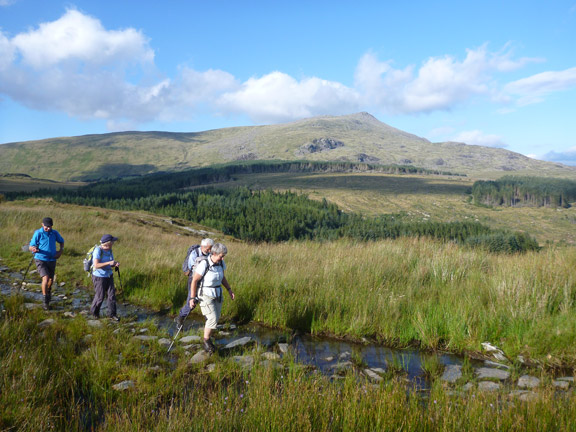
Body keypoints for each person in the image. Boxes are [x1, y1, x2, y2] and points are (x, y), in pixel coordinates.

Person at [189, 242, 235, 354]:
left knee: (215, 318)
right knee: (212, 319)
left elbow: (222, 277)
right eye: (221, 256)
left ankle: (208, 338)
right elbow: (194, 281)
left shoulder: (220, 263)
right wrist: (192, 298)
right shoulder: (204, 264)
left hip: (217, 294)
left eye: (223, 256)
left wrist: (229, 290)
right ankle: (206, 341)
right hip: (205, 295)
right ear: (214, 253)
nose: (222, 258)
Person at [175, 238, 214, 327]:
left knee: (207, 300)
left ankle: (209, 321)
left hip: (206, 280)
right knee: (192, 302)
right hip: (194, 279)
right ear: (202, 246)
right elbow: (193, 269)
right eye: (208, 248)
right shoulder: (194, 254)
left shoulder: (210, 254)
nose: (209, 251)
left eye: (210, 248)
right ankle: (180, 317)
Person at [29, 217, 64, 310]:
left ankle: (48, 292)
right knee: (46, 277)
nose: (48, 228)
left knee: (51, 280)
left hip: (52, 259)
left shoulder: (54, 233)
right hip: (40, 259)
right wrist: (33, 249)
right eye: (46, 227)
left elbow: (62, 241)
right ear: (42, 225)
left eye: (50, 227)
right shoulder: (38, 233)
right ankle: (45, 301)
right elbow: (30, 246)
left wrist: (60, 251)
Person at [90, 234, 120, 321]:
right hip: (99, 276)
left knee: (111, 295)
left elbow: (110, 262)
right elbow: (96, 265)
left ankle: (112, 314)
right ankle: (94, 313)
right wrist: (109, 263)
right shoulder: (98, 250)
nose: (113, 244)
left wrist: (115, 264)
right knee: (100, 296)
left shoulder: (110, 250)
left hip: (108, 275)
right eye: (112, 242)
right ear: (108, 243)